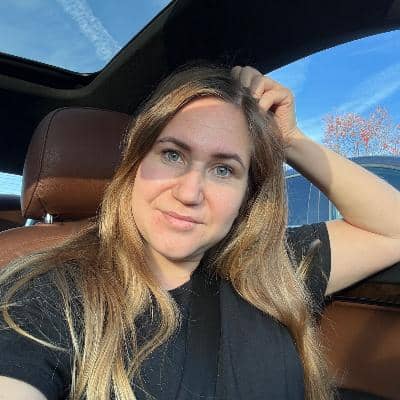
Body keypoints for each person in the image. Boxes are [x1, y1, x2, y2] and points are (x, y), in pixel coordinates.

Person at [0, 62, 399, 400]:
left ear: (247, 194)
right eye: (172, 154)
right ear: (136, 165)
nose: (190, 193)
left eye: (223, 169)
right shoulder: (51, 294)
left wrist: (291, 141)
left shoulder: (273, 271)